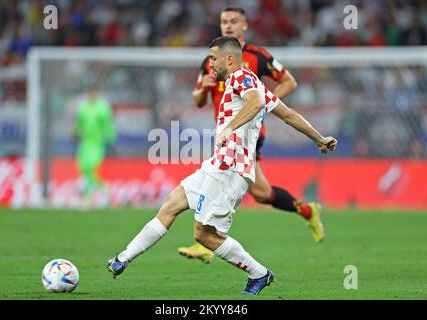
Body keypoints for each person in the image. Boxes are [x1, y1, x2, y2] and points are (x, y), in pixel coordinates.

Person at [107, 36, 337, 295]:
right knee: (171, 204)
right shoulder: (251, 82)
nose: (210, 65)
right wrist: (320, 138)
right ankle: (122, 259)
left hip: (231, 169)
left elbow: (255, 103)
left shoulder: (242, 77)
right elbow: (289, 115)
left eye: (213, 59)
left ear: (229, 59)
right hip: (217, 164)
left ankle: (259, 273)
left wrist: (229, 127)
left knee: (204, 235)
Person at [178, 6, 323, 264]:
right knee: (261, 193)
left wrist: (264, 105)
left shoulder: (257, 56)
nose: (228, 25)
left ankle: (206, 241)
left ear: (244, 25)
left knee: (224, 181)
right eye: (224, 21)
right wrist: (202, 90)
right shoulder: (211, 59)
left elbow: (289, 81)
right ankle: (306, 210)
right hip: (224, 134)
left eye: (234, 21)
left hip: (246, 136)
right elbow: (198, 99)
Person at [74, 85, 116, 202]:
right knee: (85, 169)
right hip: (85, 143)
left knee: (91, 168)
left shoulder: (102, 107)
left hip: (97, 143)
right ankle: (102, 191)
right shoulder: (83, 107)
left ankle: (90, 195)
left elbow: (108, 124)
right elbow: (79, 123)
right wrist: (76, 131)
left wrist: (111, 138)